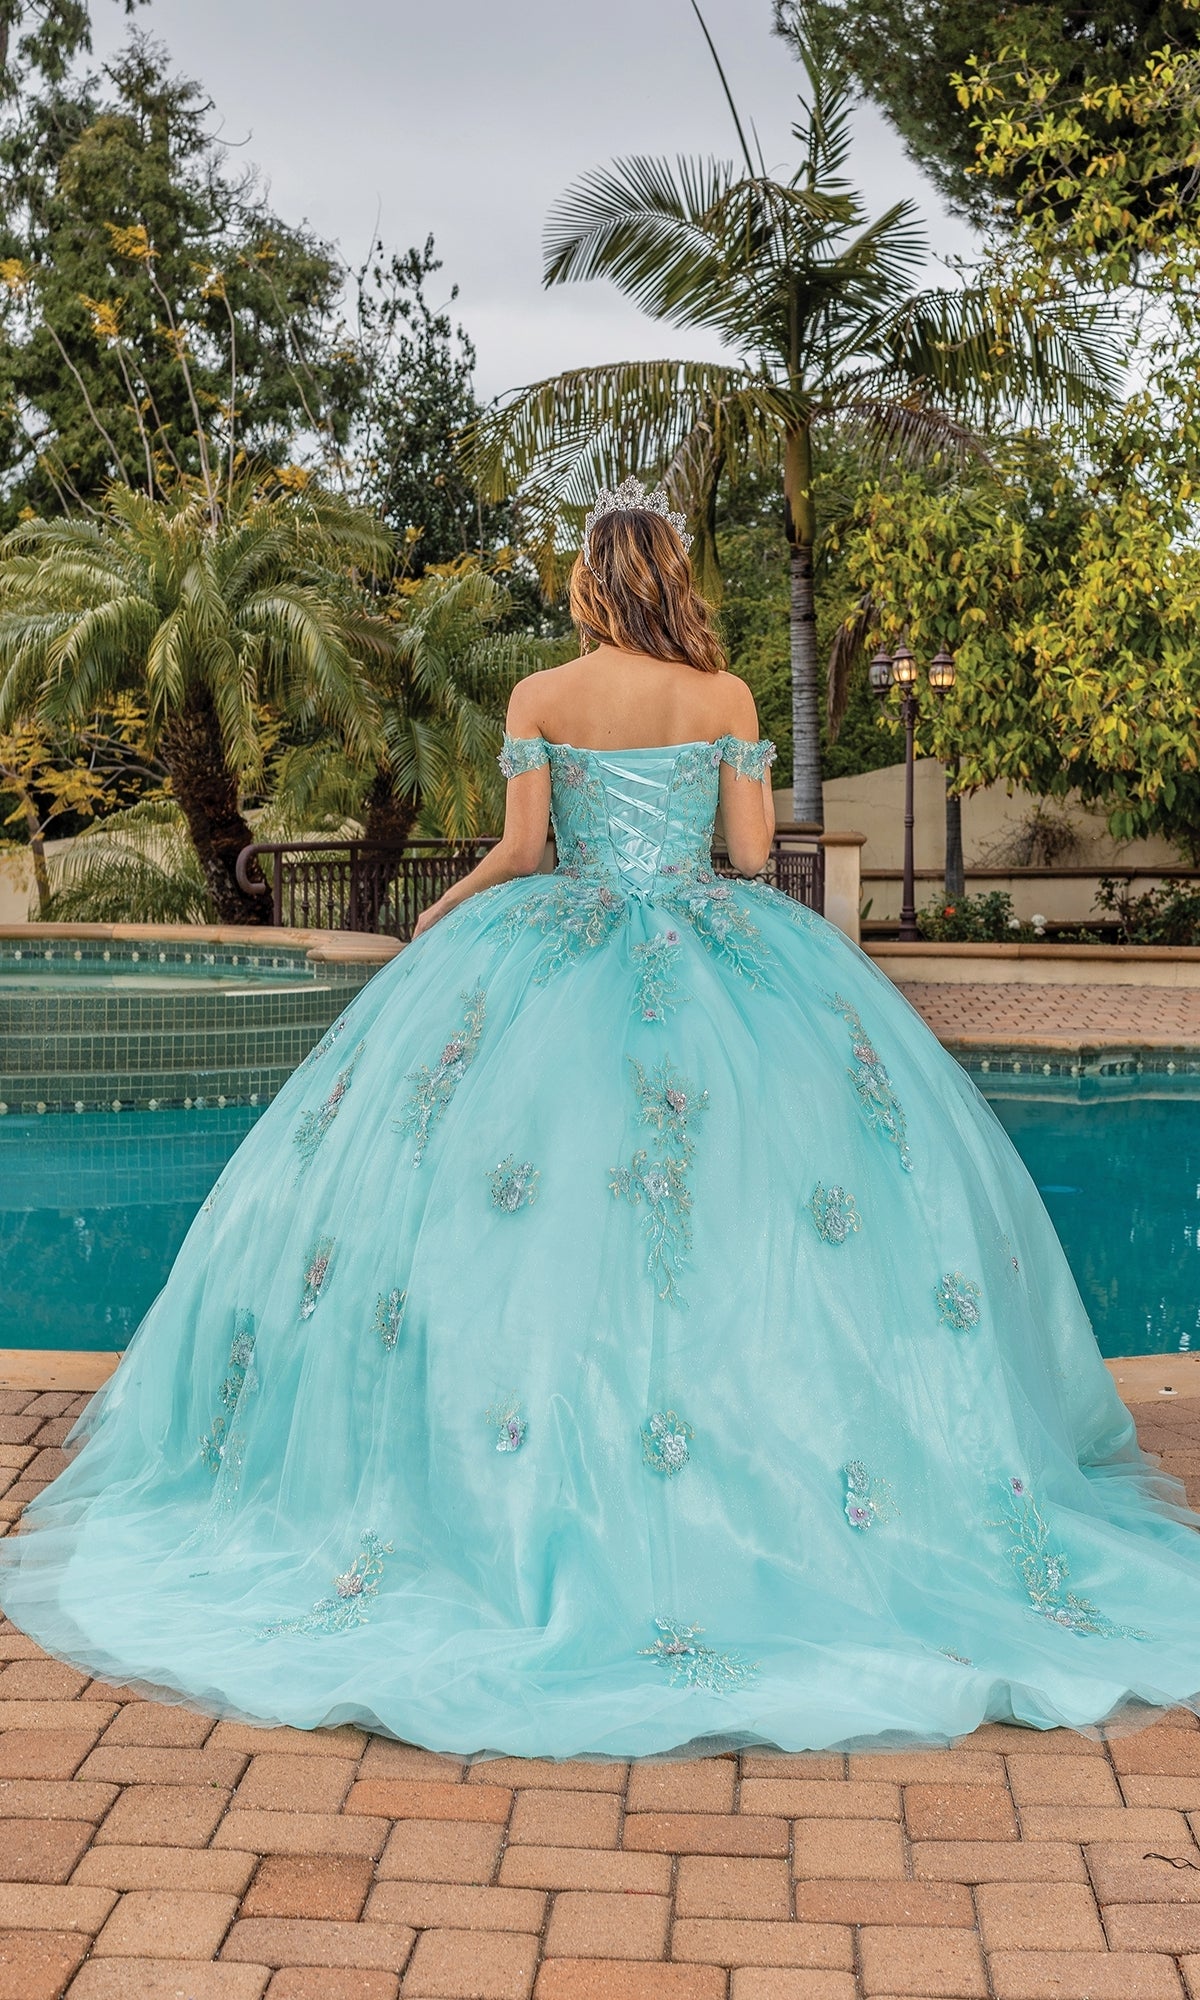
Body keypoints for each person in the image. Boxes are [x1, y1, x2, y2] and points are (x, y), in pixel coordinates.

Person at [2, 477, 1198, 1759]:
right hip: (718, 955)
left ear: (589, 580)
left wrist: (446, 908)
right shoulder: (725, 697)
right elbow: (746, 859)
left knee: (526, 1210)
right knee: (759, 1215)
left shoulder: (543, 697)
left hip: (552, 952)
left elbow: (528, 851)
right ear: (674, 576)